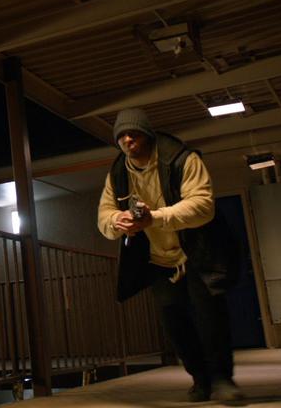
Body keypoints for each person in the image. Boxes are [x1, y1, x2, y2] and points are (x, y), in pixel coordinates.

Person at [97, 108, 243, 402]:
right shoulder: (118, 173)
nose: (128, 140)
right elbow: (104, 215)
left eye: (134, 134)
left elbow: (203, 205)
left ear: (147, 134)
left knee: (210, 317)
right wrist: (117, 221)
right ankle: (200, 380)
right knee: (174, 323)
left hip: (197, 252)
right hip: (159, 260)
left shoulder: (182, 159)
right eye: (122, 136)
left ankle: (222, 379)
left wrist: (156, 218)